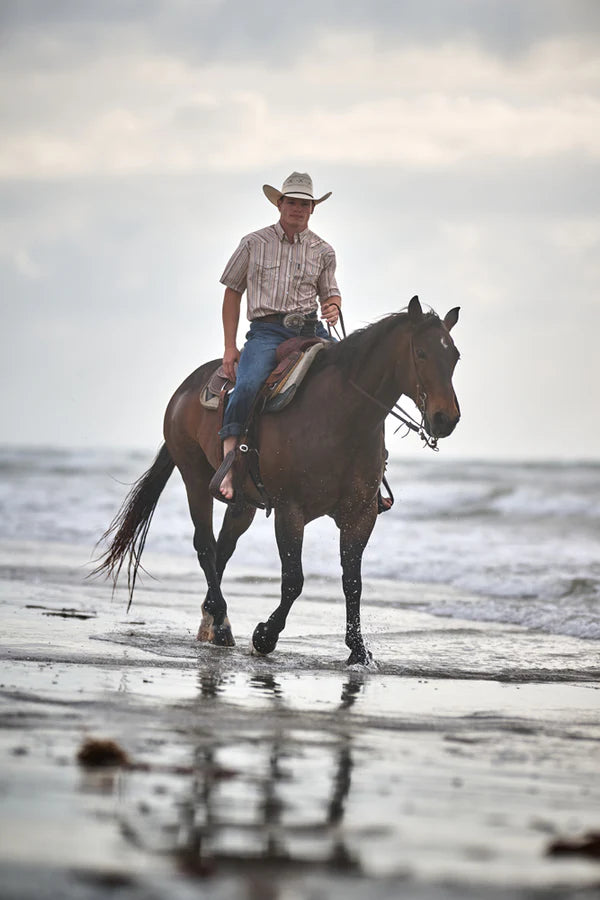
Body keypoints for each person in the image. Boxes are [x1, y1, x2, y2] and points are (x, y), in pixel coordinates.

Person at [214, 172, 342, 502]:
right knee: (247, 384)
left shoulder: (323, 251)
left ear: (312, 209)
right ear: (280, 203)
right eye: (292, 202)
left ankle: (367, 467)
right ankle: (230, 458)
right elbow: (232, 292)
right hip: (267, 331)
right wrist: (230, 347)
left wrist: (332, 307)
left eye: (305, 204)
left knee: (354, 376)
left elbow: (330, 293)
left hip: (310, 329)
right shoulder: (253, 243)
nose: (298, 209)